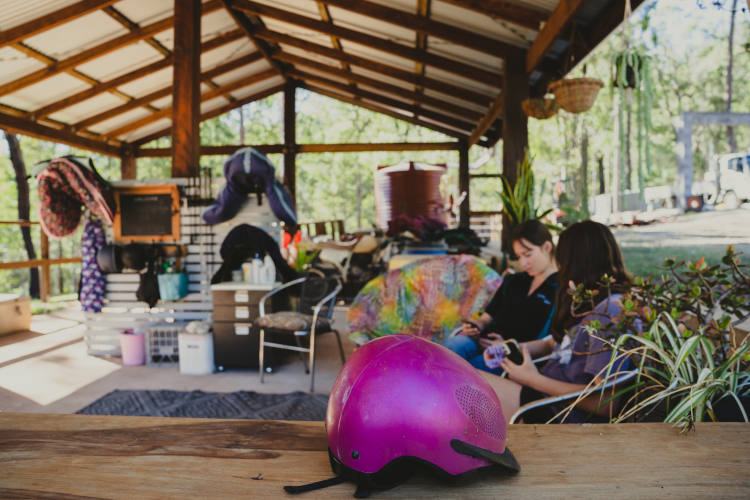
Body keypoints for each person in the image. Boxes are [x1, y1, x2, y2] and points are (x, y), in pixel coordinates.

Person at [480, 220, 633, 424]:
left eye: (562, 261)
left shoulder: (609, 313)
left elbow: (605, 402)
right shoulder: (593, 304)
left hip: (555, 412)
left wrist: (533, 379)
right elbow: (557, 342)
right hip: (543, 397)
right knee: (467, 384)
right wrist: (514, 348)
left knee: (467, 386)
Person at [441, 219, 558, 373]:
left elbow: (548, 342)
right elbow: (486, 318)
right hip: (483, 339)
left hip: (513, 353)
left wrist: (506, 346)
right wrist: (474, 327)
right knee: (450, 349)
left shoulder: (559, 288)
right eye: (519, 256)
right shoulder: (515, 280)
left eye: (527, 255)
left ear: (547, 247)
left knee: (469, 370)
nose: (523, 262)